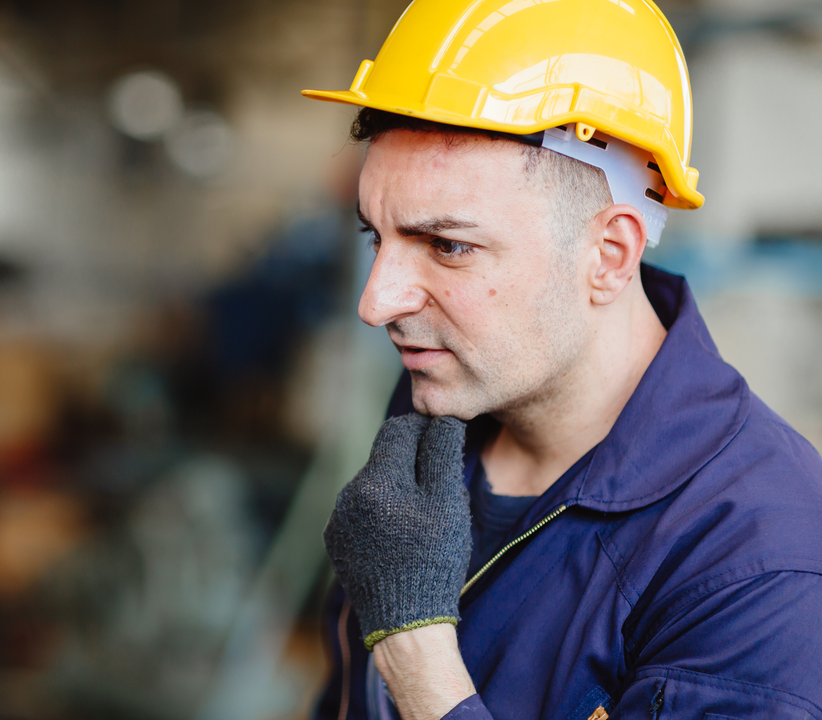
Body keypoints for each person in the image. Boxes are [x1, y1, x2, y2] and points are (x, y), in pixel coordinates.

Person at [301, 0, 822, 718]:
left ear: (609, 255)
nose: (378, 301)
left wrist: (414, 650)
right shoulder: (444, 398)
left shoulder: (761, 562)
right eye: (376, 237)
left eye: (447, 246)